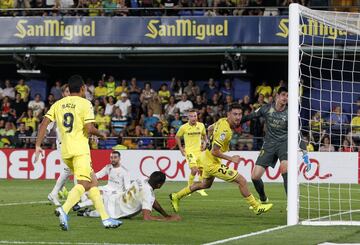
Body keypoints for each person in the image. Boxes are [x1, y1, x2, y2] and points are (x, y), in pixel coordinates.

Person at [35, 75, 122, 230]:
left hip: (65, 151)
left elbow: (44, 124)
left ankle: (106, 219)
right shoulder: (85, 103)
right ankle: (64, 210)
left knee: (93, 183)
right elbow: (89, 128)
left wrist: (37, 145)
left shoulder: (58, 104)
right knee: (83, 184)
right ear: (82, 89)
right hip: (80, 150)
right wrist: (101, 134)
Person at [169, 104, 273, 215]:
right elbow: (215, 151)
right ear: (229, 114)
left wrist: (208, 141)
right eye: (235, 114)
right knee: (241, 180)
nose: (238, 117)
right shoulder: (225, 131)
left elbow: (209, 129)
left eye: (240, 114)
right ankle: (256, 206)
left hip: (207, 158)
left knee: (205, 185)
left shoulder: (221, 120)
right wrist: (231, 159)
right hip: (212, 163)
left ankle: (177, 196)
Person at [241, 87, 288, 207]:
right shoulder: (266, 108)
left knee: (285, 169)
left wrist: (303, 151)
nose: (285, 98)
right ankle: (263, 198)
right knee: (255, 176)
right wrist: (234, 121)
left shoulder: (290, 112)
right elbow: (250, 116)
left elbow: (297, 132)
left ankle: (291, 203)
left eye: (287, 96)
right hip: (269, 144)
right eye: (283, 95)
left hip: (284, 143)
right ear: (277, 96)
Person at [78, 171, 181, 221]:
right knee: (93, 213)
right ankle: (84, 211)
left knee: (94, 202)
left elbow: (152, 201)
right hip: (115, 211)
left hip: (114, 199)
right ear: (159, 185)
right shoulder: (148, 194)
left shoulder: (142, 179)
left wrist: (165, 214)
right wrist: (166, 219)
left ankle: (82, 207)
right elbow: (147, 217)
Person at [47, 84, 73, 207]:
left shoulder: (74, 105)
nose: (69, 93)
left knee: (73, 170)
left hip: (72, 142)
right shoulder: (57, 106)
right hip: (63, 143)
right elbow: (49, 122)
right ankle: (55, 192)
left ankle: (61, 192)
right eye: (67, 91)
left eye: (70, 91)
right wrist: (47, 130)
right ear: (63, 94)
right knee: (68, 169)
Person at [175, 109, 208, 197]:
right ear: (188, 117)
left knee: (202, 170)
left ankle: (200, 189)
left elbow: (205, 136)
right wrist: (181, 148)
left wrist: (204, 143)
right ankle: (189, 188)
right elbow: (177, 137)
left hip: (199, 152)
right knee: (194, 170)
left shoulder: (201, 125)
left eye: (195, 116)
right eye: (191, 116)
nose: (194, 118)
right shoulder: (183, 127)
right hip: (189, 152)